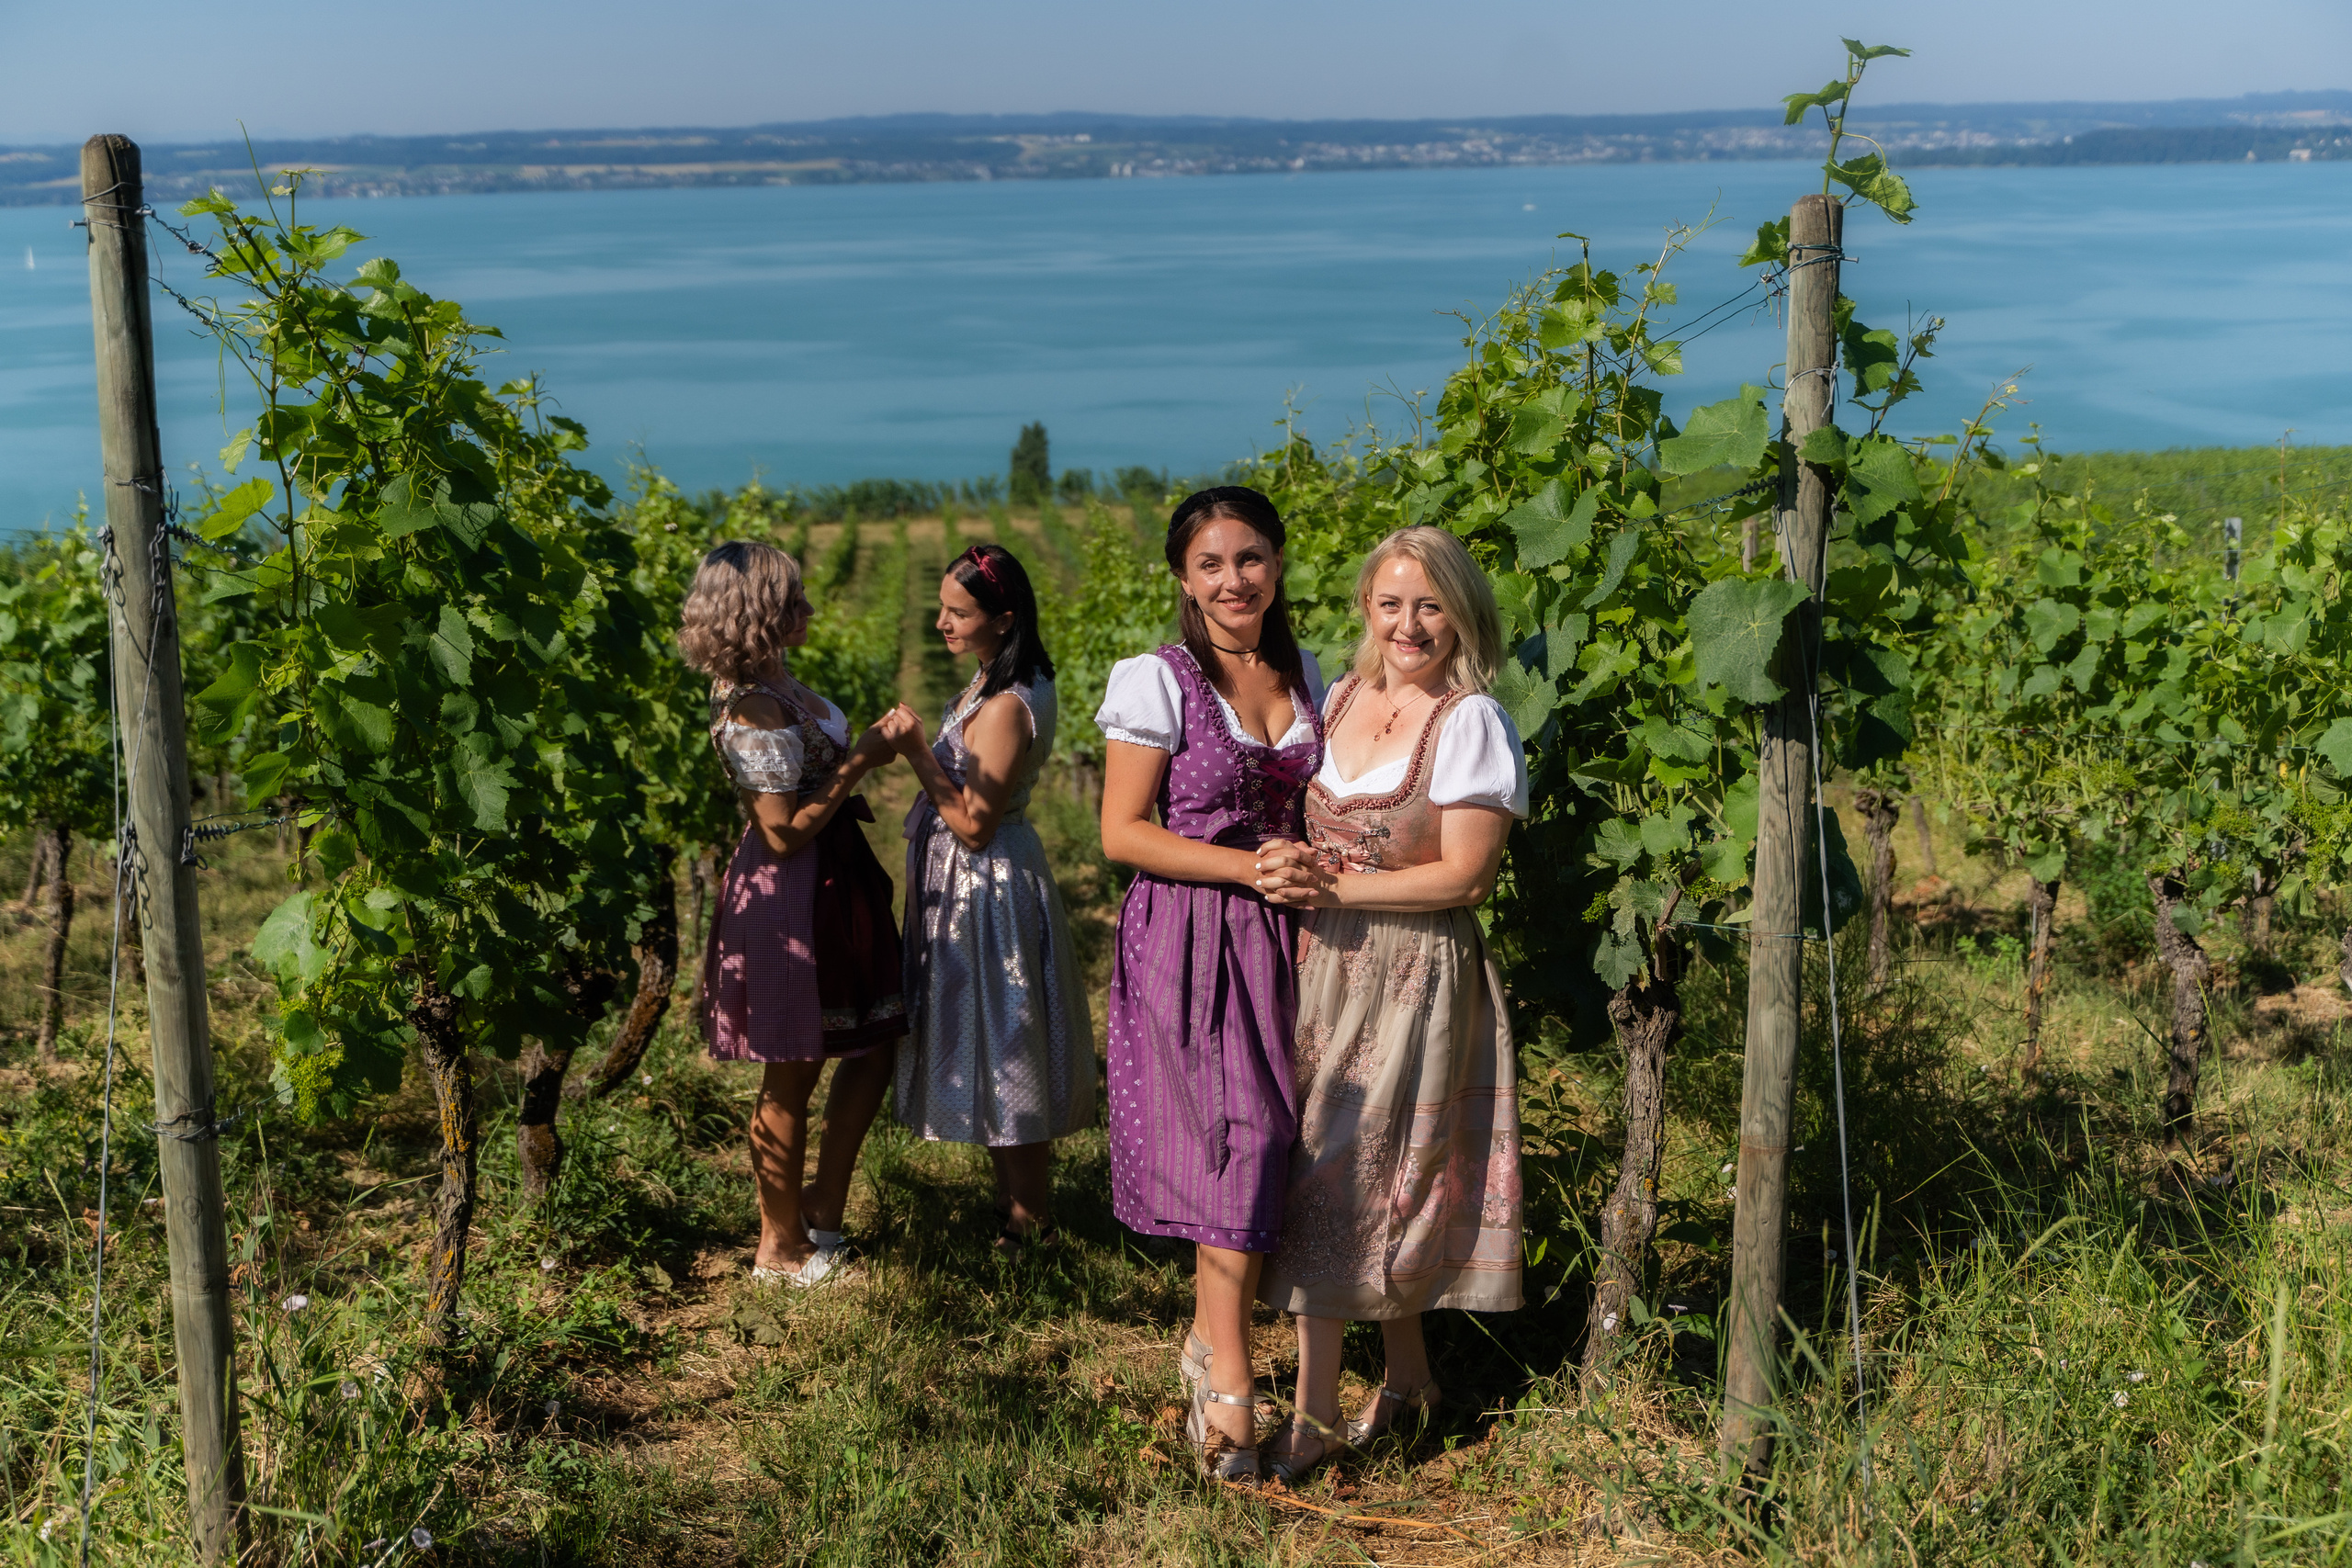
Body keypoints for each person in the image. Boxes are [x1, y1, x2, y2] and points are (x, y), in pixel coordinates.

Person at [1251, 525, 1528, 1484]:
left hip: (1410, 970)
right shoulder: (1335, 696)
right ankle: (1410, 1380)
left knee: (1336, 1174)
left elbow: (1467, 876)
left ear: (1462, 613)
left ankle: (1316, 1415)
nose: (1409, 625)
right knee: (1348, 1171)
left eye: (1431, 605)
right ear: (1367, 607)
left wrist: (1334, 886)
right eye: (1392, 603)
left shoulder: (1470, 721)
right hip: (1319, 963)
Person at [1096, 485, 1326, 1483]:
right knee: (1238, 1142)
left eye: (1250, 557)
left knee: (1273, 1142)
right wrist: (1248, 867)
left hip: (1292, 934)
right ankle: (1230, 1379)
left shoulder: (1309, 672)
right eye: (1211, 564)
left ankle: (1204, 1342)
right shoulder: (1158, 679)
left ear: (1277, 562)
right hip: (1191, 932)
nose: (1235, 580)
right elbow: (1122, 833)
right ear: (1184, 580)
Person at [680, 539, 909, 1289]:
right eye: (792, 600)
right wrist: (861, 759)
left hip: (833, 878)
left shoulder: (775, 680)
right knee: (792, 1071)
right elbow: (780, 832)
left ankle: (820, 1205)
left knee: (872, 1043)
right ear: (758, 614)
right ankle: (777, 1245)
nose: (808, 608)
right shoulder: (751, 704)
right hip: (792, 892)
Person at [878, 542, 1095, 1255]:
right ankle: (1014, 1202)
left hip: (988, 879)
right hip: (981, 875)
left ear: (1003, 619)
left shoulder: (1005, 706)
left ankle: (1031, 1220)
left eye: (959, 612)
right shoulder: (998, 679)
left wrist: (917, 750)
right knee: (999, 1027)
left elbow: (974, 822)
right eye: (941, 607)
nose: (942, 622)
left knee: (1008, 1035)